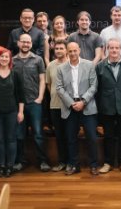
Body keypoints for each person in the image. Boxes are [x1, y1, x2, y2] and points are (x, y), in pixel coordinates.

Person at [56, 42, 99, 175]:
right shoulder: (61, 68)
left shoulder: (89, 65)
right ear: (67, 52)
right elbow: (59, 88)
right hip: (70, 107)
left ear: (79, 50)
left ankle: (94, 165)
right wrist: (71, 103)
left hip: (87, 106)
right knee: (70, 138)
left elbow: (94, 86)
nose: (73, 53)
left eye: (75, 50)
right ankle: (74, 165)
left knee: (92, 137)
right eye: (70, 51)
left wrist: (83, 101)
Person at [12, 33, 50, 172]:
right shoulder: (12, 61)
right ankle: (20, 161)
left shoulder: (38, 60)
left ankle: (43, 161)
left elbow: (42, 80)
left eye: (28, 42)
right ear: (18, 43)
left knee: (38, 134)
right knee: (19, 135)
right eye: (23, 42)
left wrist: (40, 97)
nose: (26, 44)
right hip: (17, 104)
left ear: (31, 44)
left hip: (34, 102)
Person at [96, 38, 121, 174]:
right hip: (107, 107)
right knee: (108, 137)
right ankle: (108, 163)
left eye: (116, 48)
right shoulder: (100, 66)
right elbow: (97, 89)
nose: (114, 50)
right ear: (107, 49)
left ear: (120, 49)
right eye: (111, 48)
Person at [0, 49, 25, 177]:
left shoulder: (15, 74)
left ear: (10, 59)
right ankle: (0, 166)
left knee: (11, 139)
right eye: (1, 57)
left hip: (12, 112)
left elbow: (20, 95)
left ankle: (9, 166)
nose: (4, 59)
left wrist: (21, 112)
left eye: (6, 57)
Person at [45, 40, 69, 172]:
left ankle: (72, 161)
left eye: (61, 48)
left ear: (66, 50)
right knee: (59, 136)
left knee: (70, 136)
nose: (59, 50)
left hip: (70, 106)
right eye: (57, 49)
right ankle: (62, 162)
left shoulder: (71, 64)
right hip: (55, 105)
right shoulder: (50, 66)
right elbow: (49, 85)